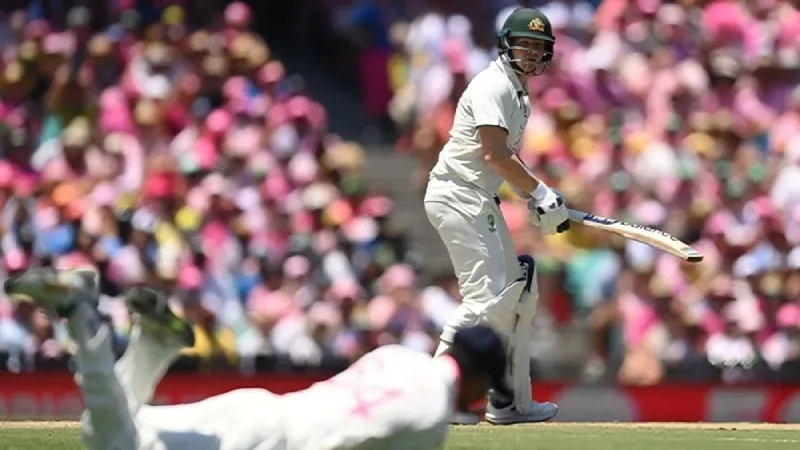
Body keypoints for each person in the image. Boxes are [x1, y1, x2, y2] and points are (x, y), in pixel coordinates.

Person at [3, 268, 512, 450]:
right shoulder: (431, 419)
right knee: (117, 446)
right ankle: (80, 316)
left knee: (112, 431)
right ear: (476, 378)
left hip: (259, 408)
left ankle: (151, 344)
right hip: (266, 442)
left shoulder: (400, 354)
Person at [423, 7, 568, 425]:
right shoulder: (493, 85)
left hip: (478, 196)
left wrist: (535, 197)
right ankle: (433, 399)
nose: (530, 54)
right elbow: (494, 155)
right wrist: (539, 192)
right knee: (485, 299)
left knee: (518, 294)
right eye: (524, 44)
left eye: (539, 48)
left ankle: (509, 401)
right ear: (506, 44)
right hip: (458, 195)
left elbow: (501, 159)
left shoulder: (517, 91)